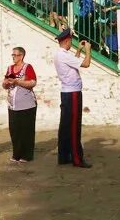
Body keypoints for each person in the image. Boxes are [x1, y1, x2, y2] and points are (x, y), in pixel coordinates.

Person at [53, 29, 92, 167]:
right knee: (74, 126)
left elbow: (73, 63)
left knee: (65, 125)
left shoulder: (60, 54)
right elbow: (85, 64)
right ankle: (77, 158)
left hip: (66, 92)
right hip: (73, 92)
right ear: (67, 41)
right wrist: (88, 50)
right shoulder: (64, 55)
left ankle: (63, 156)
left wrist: (79, 50)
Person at [3, 46, 37, 163]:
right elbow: (4, 84)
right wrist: (6, 83)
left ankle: (27, 155)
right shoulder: (10, 68)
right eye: (12, 55)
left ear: (21, 56)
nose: (13, 57)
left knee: (26, 130)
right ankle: (16, 154)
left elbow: (33, 82)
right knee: (14, 130)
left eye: (15, 55)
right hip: (13, 105)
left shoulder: (28, 67)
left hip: (27, 105)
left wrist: (18, 81)